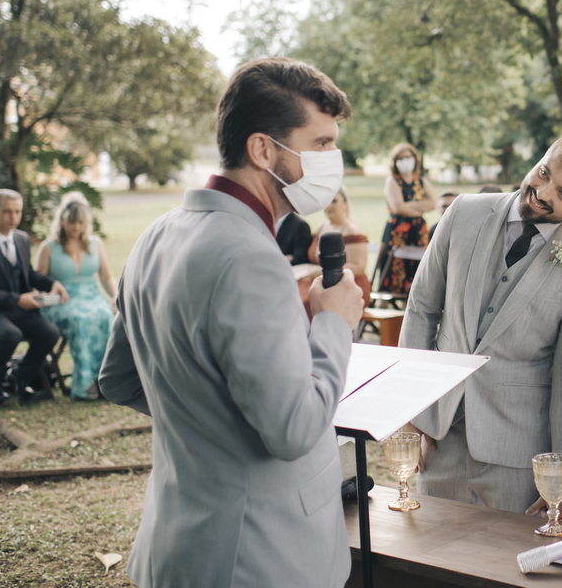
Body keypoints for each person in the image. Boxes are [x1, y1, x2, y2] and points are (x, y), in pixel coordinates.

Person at [99, 58, 364, 588]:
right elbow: (292, 430)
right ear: (263, 149)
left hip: (178, 542)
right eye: (321, 144)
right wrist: (333, 323)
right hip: (258, 556)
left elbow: (118, 379)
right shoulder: (250, 257)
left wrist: (209, 423)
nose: (333, 160)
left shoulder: (156, 235)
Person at [398, 128, 562, 513]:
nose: (544, 192)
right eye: (544, 173)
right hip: (438, 438)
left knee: (498, 570)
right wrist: (409, 414)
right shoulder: (462, 211)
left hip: (517, 456)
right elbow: (421, 309)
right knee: (427, 563)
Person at [0, 189, 67, 406]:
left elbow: (27, 273)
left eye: (17, 212)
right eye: (7, 212)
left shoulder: (21, 239)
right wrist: (18, 299)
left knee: (50, 332)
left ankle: (20, 376)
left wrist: (51, 283)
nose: (13, 217)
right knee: (10, 334)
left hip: (15, 311)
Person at [35, 192, 115, 401]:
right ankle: (85, 385)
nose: (76, 227)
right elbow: (37, 281)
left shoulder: (95, 244)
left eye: (81, 222)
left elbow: (106, 276)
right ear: (62, 220)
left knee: (105, 314)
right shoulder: (48, 247)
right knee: (80, 319)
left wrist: (116, 296)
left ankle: (104, 380)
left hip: (92, 296)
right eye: (72, 222)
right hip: (62, 301)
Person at [378, 143, 435, 295]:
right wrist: (418, 207)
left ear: (415, 159)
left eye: (408, 157)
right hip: (397, 231)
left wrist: (407, 205)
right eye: (401, 158)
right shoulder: (392, 181)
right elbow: (398, 208)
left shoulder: (421, 181)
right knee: (393, 270)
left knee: (418, 267)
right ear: (395, 161)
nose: (405, 161)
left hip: (418, 230)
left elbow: (432, 204)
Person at [306, 187, 371, 312]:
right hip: (321, 282)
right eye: (327, 201)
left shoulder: (352, 231)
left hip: (349, 285)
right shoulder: (322, 227)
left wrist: (321, 272)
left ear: (345, 204)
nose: (329, 205)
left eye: (334, 201)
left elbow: (358, 267)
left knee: (308, 301)